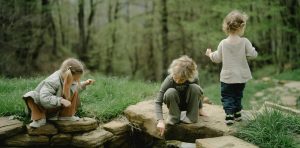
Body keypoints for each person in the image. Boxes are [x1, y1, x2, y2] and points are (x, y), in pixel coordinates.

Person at [205, 10, 258, 125]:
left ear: (226, 27)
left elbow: (217, 58)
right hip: (241, 76)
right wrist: (250, 51)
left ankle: (229, 114)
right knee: (238, 94)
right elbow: (253, 54)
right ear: (241, 27)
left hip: (227, 76)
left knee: (227, 95)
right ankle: (237, 113)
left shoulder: (223, 43)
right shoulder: (245, 42)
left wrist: (210, 54)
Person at [23, 58, 95, 128]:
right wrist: (61, 100)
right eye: (75, 79)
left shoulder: (67, 79)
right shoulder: (53, 81)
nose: (75, 81)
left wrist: (84, 83)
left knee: (74, 91)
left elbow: (74, 87)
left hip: (55, 108)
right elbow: (44, 98)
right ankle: (39, 119)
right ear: (68, 75)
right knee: (30, 95)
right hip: (43, 107)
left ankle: (66, 115)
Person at [155, 55, 205, 136]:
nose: (177, 81)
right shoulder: (169, 80)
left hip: (188, 104)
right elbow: (158, 102)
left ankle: (191, 117)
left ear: (189, 77)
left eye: (182, 79)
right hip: (175, 105)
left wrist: (200, 108)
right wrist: (160, 121)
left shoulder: (194, 79)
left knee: (196, 88)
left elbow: (198, 94)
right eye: (175, 77)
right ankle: (174, 118)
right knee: (170, 92)